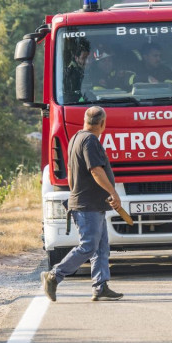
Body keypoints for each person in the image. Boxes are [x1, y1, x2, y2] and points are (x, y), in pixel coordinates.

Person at [41, 105, 124, 302]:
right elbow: (96, 170)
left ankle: (100, 285)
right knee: (88, 246)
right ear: (102, 123)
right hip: (87, 206)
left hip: (90, 202)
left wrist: (75, 193)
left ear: (85, 120)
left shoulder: (76, 138)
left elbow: (70, 172)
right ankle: (54, 275)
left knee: (101, 246)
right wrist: (113, 192)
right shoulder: (90, 141)